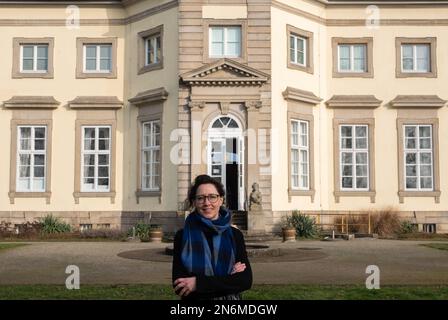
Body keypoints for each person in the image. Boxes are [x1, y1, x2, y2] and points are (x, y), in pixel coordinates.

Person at [172, 174, 252, 300]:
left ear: (221, 200)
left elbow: (245, 281)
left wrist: (197, 283)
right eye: (200, 198)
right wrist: (228, 279)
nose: (207, 203)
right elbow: (180, 286)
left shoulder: (235, 235)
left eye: (212, 197)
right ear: (194, 202)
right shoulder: (182, 236)